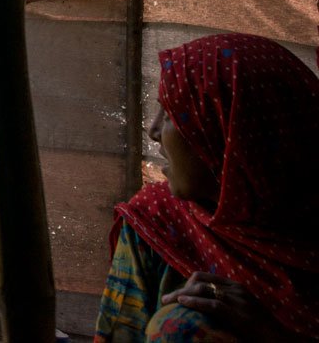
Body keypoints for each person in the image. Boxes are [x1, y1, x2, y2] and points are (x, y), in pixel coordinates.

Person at [94, 32, 319, 341]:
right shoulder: (157, 220)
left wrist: (272, 333)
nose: (154, 130)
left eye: (172, 114)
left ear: (234, 135)